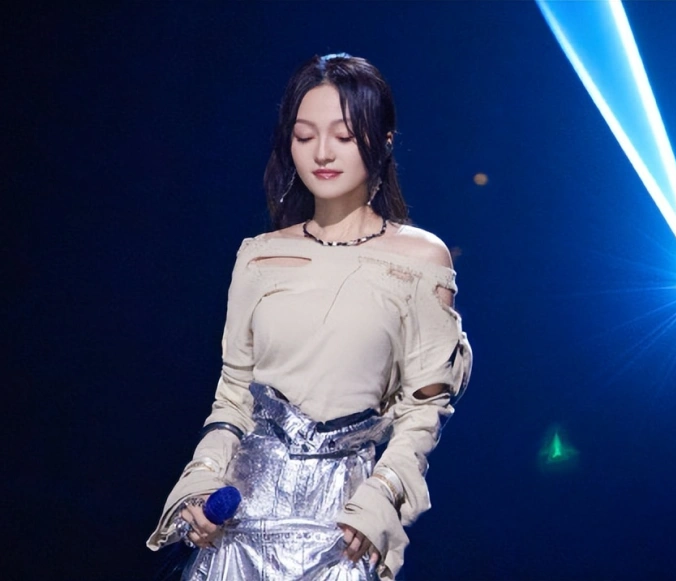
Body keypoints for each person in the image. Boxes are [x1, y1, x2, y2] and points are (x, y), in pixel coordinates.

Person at [146, 53, 472, 581]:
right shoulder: (259, 256)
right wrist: (200, 483)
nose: (322, 152)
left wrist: (382, 495)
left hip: (342, 531)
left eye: (343, 135)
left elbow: (424, 410)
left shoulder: (420, 260)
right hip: (239, 529)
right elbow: (234, 396)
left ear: (384, 140)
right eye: (304, 135)